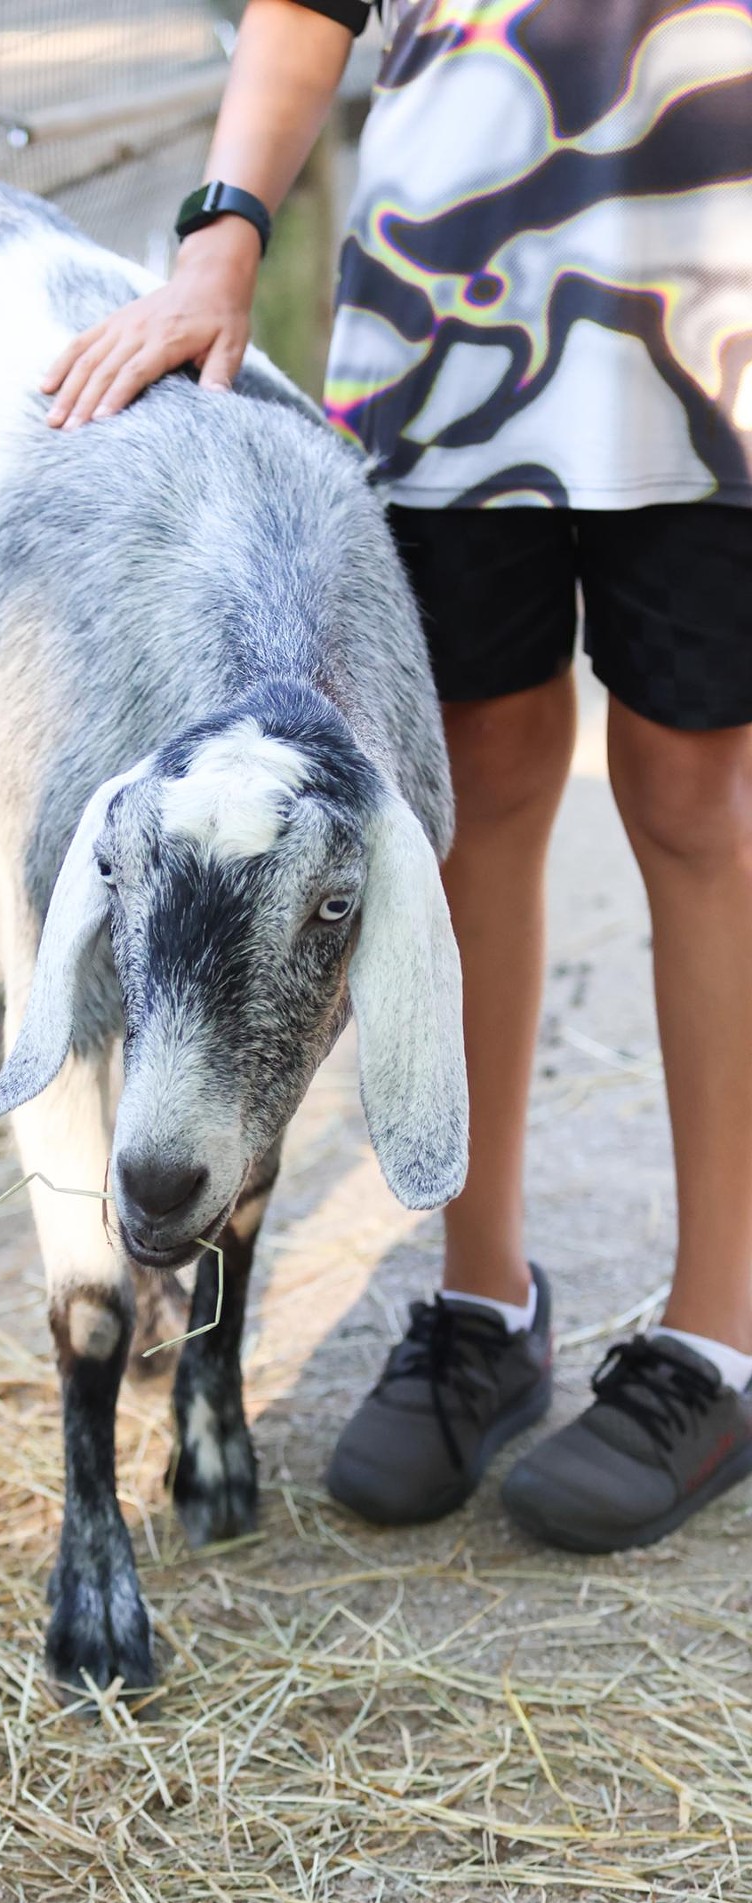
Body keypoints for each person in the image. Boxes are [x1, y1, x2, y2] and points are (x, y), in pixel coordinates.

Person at [42, 0, 752, 1551]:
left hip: (726, 302)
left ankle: (715, 1341)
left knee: (697, 795)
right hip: (453, 304)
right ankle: (479, 1302)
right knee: (474, 786)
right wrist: (223, 229)